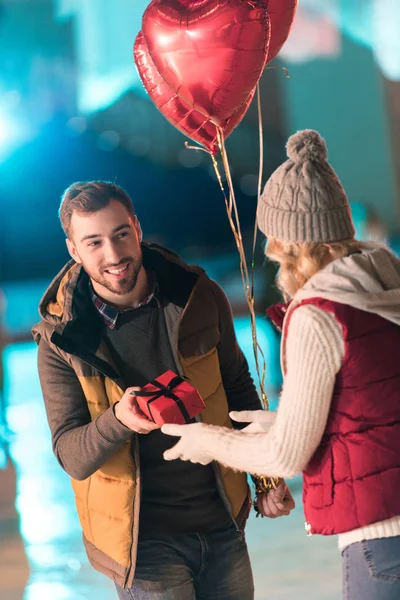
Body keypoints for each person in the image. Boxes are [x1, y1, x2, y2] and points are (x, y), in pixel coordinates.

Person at [162, 130, 400, 600]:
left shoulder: (318, 312)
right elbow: (378, 403)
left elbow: (285, 458)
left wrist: (207, 440)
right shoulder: (382, 285)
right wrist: (281, 421)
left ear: (286, 242)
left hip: (382, 538)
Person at [33, 181, 295, 600]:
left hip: (222, 524)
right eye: (94, 242)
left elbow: (238, 389)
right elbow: (72, 455)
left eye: (120, 234)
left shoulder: (198, 295)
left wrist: (265, 476)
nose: (114, 255)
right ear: (73, 250)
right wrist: (119, 420)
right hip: (144, 549)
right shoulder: (61, 340)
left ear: (137, 228)